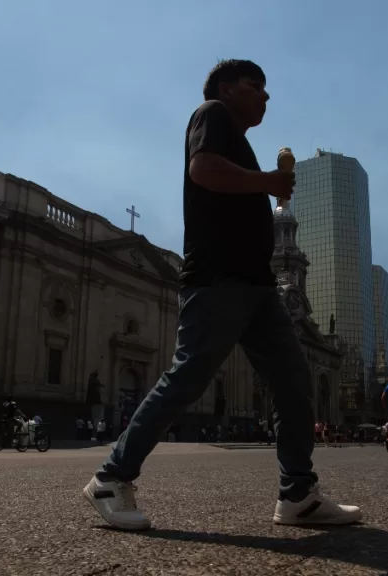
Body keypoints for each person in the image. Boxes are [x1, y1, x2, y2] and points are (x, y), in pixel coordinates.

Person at [82, 59, 360, 531]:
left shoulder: (242, 143)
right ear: (227, 89)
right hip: (218, 278)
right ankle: (111, 477)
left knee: (295, 385)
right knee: (188, 378)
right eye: (256, 87)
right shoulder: (210, 114)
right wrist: (270, 183)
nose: (266, 97)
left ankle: (298, 494)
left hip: (258, 288)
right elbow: (204, 170)